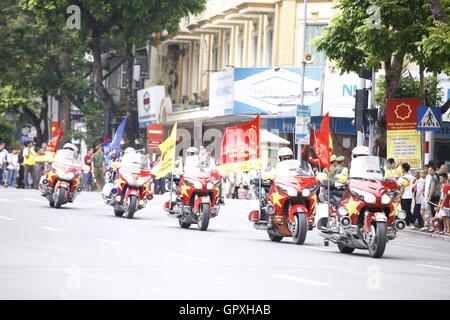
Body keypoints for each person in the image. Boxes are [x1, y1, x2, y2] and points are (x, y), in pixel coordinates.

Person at [400, 163, 414, 227]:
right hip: (410, 196)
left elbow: (402, 188)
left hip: (404, 196)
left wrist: (399, 196)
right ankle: (410, 223)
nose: (401, 169)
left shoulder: (404, 177)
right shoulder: (411, 176)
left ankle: (408, 223)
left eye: (401, 168)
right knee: (408, 210)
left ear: (403, 169)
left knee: (405, 211)